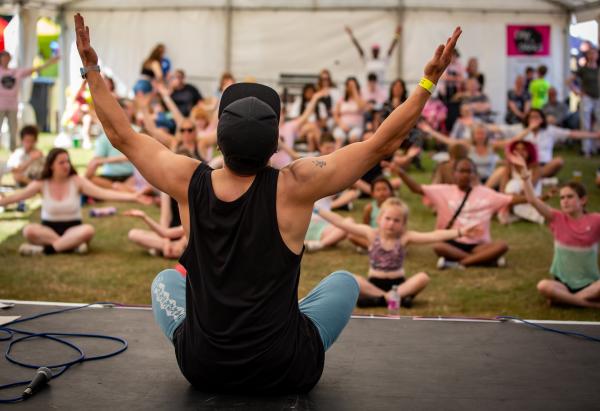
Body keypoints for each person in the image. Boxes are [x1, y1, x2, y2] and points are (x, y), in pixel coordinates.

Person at [75, 13, 461, 393]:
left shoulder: (186, 180)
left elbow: (121, 135)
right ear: (274, 144)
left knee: (164, 281)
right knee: (344, 282)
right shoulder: (296, 185)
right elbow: (382, 143)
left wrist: (92, 68)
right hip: (286, 367)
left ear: (219, 141)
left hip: (203, 366)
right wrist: (428, 81)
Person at [314, 198, 479, 308]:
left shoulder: (405, 238)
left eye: (396, 220)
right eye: (388, 219)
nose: (391, 224)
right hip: (374, 283)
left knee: (423, 277)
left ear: (403, 224)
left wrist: (460, 232)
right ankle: (390, 298)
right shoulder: (371, 234)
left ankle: (382, 300)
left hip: (398, 284)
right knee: (352, 279)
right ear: (379, 219)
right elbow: (342, 223)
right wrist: (317, 210)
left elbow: (433, 236)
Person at [0, 147, 149, 256]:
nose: (66, 165)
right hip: (48, 230)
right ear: (51, 165)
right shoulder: (42, 183)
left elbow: (104, 193)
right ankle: (70, 245)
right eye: (61, 162)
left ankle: (46, 250)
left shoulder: (77, 181)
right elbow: (18, 197)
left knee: (87, 230)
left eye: (67, 162)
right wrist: (3, 202)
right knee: (29, 230)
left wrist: (133, 196)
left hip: (73, 229)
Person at [510, 154, 600, 308]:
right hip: (562, 284)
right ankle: (586, 303)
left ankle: (565, 300)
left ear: (583, 200)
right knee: (544, 286)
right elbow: (532, 200)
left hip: (590, 283)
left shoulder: (596, 220)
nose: (565, 201)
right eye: (562, 197)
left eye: (570, 197)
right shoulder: (556, 218)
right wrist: (525, 174)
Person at [396, 158, 517, 269]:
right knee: (438, 247)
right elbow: (416, 188)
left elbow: (512, 199)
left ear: (474, 174)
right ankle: (487, 261)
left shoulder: (486, 193)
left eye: (469, 171)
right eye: (462, 171)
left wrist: (531, 192)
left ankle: (460, 263)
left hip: (478, 245)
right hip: (452, 242)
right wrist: (401, 173)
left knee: (502, 246)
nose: (465, 175)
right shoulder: (443, 190)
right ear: (454, 174)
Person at [0, 50, 59, 150]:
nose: (6, 60)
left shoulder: (16, 72)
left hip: (13, 105)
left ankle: (13, 150)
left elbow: (35, 69)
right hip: (1, 105)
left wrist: (49, 62)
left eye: (7, 57)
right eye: (4, 57)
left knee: (13, 130)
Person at [520, 109, 600, 178]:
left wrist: (595, 135)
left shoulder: (550, 130)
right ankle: (534, 176)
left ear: (542, 119)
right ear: (527, 119)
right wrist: (529, 129)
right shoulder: (522, 131)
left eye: (536, 117)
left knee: (559, 161)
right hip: (528, 165)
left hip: (545, 166)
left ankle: (535, 176)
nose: (534, 120)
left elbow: (572, 134)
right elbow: (509, 142)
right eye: (531, 117)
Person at [567, 47, 600, 156]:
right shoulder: (583, 69)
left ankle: (597, 147)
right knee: (585, 123)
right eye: (590, 53)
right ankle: (586, 149)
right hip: (587, 97)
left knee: (598, 123)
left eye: (594, 53)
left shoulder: (598, 69)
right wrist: (577, 92)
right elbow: (569, 81)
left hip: (598, 98)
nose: (592, 56)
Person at [332, 77, 367, 149]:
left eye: (353, 85)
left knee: (353, 138)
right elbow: (336, 115)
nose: (351, 87)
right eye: (349, 85)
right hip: (343, 126)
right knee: (339, 138)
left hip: (356, 126)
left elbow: (361, 107)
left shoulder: (361, 98)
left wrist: (354, 91)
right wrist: (341, 124)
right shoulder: (342, 99)